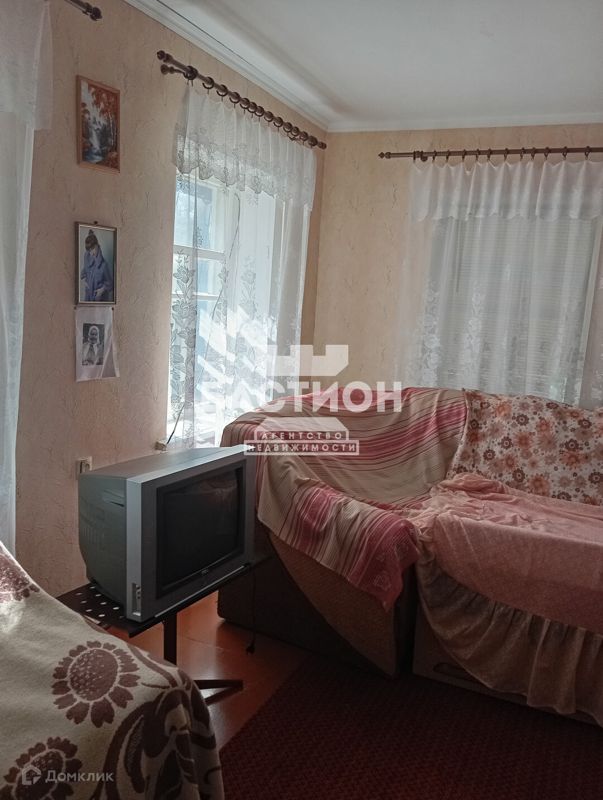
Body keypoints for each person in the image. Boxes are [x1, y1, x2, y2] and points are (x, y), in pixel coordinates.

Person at [80, 230, 113, 302]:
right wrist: (84, 282)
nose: (91, 253)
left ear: (97, 245)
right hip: (88, 297)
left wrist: (102, 290)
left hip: (99, 299)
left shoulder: (104, 265)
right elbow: (84, 271)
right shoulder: (87, 257)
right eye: (89, 251)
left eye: (93, 249)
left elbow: (110, 283)